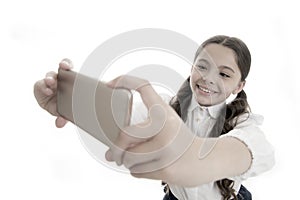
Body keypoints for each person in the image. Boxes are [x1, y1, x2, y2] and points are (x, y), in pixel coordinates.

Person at [34, 35, 275, 200]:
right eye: (202, 66)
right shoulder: (165, 110)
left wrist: (189, 159)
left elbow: (256, 150)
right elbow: (121, 118)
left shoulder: (246, 126)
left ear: (238, 85)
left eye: (224, 74)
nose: (209, 78)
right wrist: (69, 101)